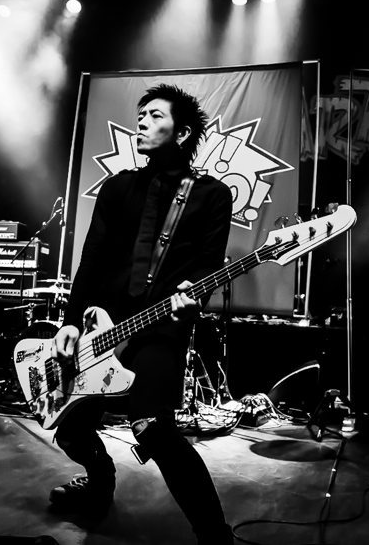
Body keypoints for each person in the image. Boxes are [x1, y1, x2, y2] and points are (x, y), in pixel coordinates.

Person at [48, 84, 234, 544]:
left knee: (153, 427)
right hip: (100, 329)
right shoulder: (117, 188)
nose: (142, 121)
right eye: (141, 114)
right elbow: (91, 260)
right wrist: (70, 320)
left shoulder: (212, 195)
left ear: (182, 132)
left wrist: (193, 294)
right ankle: (100, 484)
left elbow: (209, 265)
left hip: (159, 330)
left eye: (154, 115)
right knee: (69, 427)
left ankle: (215, 537)